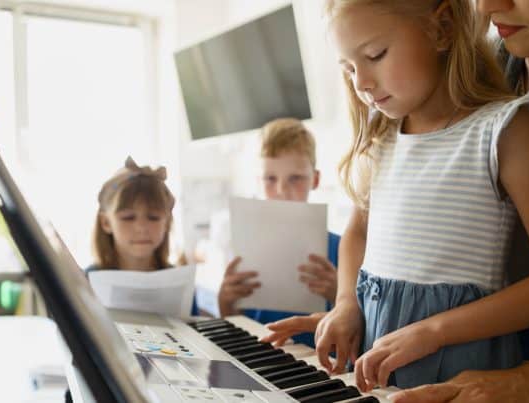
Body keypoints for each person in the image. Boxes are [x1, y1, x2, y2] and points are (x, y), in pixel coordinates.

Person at [306, 0, 529, 392]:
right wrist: (345, 303)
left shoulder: (504, 129)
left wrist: (434, 332)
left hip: (461, 366)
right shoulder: (381, 135)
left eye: (375, 55)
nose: (361, 83)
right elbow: (357, 233)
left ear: (440, 29)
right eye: (349, 68)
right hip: (378, 368)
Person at [216, 118, 340, 347]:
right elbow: (233, 321)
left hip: (318, 365)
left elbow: (357, 329)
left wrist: (339, 294)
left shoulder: (343, 249)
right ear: (257, 180)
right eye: (270, 179)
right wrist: (226, 300)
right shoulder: (243, 247)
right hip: (259, 355)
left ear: (316, 179)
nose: (282, 190)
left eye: (295, 178)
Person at [87, 156, 198, 315]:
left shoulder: (180, 282)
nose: (141, 228)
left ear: (166, 222)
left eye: (153, 217)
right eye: (128, 218)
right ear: (106, 223)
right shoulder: (85, 282)